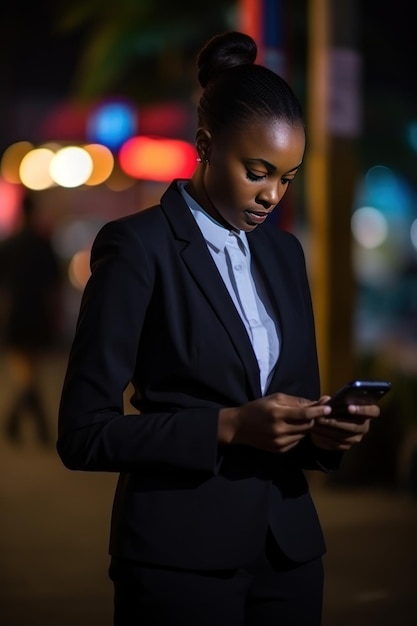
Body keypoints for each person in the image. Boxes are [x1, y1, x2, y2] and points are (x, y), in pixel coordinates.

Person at [57, 31, 380, 626]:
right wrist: (227, 427)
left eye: (288, 177)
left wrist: (324, 432)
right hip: (179, 562)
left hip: (289, 557)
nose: (272, 195)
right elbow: (83, 434)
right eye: (258, 172)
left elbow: (292, 407)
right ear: (204, 145)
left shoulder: (285, 255)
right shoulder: (136, 247)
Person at [0, 191, 61, 446]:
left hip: (16, 314)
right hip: (39, 315)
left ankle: (15, 423)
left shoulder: (9, 245)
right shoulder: (43, 244)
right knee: (31, 371)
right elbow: (54, 287)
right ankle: (35, 426)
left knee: (26, 372)